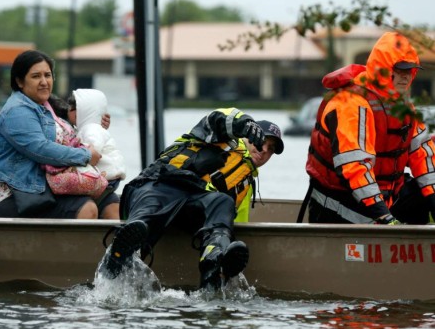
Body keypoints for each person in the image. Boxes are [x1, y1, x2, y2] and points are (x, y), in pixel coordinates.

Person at [98, 108, 284, 290]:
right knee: (157, 201)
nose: (264, 151)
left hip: (189, 208)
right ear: (248, 137)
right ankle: (122, 250)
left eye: (271, 149)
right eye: (261, 143)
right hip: (157, 184)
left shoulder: (245, 183)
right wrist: (243, 123)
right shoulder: (221, 137)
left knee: (223, 202)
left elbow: (233, 219)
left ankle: (214, 258)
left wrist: (232, 247)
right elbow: (218, 118)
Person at [306, 31, 435, 225]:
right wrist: (383, 216)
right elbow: (354, 167)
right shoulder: (350, 103)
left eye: (410, 70)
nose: (406, 76)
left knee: (420, 196)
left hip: (385, 196)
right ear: (383, 69)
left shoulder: (405, 108)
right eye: (400, 70)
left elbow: (424, 159)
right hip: (338, 201)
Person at [0, 50, 117, 219]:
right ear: (19, 81)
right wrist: (85, 155)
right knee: (87, 208)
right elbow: (41, 149)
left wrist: (96, 124)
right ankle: (79, 246)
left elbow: (67, 124)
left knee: (111, 202)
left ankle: (114, 246)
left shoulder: (46, 104)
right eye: (36, 76)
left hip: (48, 183)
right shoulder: (17, 111)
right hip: (17, 192)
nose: (44, 82)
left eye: (47, 75)